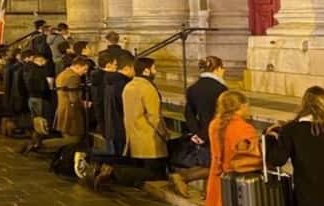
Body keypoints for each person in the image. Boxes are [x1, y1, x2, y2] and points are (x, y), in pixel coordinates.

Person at [97, 57, 168, 188]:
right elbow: (154, 116)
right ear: (146, 71)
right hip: (149, 138)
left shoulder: (129, 86)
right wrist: (164, 134)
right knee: (155, 174)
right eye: (154, 68)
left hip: (134, 136)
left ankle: (113, 171)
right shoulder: (148, 88)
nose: (156, 71)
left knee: (142, 168)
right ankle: (113, 172)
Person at [170, 56, 228, 195]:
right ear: (218, 68)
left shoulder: (193, 88)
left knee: (208, 162)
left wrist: (197, 132)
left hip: (201, 131)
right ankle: (184, 178)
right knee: (215, 164)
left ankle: (207, 193)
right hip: (216, 131)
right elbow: (221, 113)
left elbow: (189, 114)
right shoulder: (221, 89)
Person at [103, 53, 134, 156]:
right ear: (127, 68)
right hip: (121, 128)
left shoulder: (110, 80)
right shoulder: (123, 84)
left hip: (111, 127)